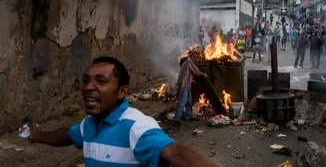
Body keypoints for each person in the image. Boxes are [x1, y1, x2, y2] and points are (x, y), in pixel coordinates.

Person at [28, 57, 217, 167]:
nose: (88, 87)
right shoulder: (89, 124)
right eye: (86, 80)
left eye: (101, 81)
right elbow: (69, 135)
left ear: (122, 91)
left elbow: (175, 153)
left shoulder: (136, 126)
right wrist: (38, 134)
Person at [174, 51, 209, 125]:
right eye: (196, 58)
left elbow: (188, 74)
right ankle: (176, 119)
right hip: (184, 85)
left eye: (197, 58)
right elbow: (197, 72)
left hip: (187, 85)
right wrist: (204, 74)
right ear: (192, 56)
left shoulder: (187, 63)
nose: (196, 59)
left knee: (188, 101)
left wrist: (193, 81)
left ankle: (188, 116)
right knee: (182, 101)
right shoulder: (189, 62)